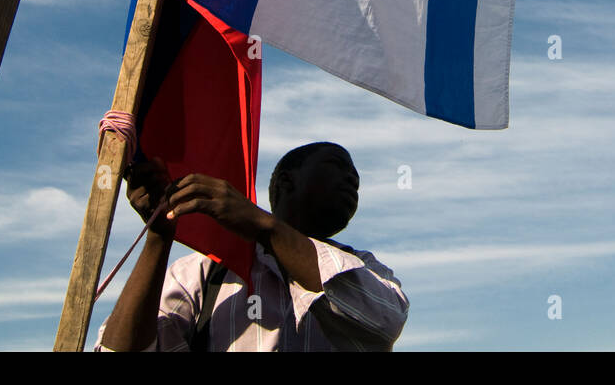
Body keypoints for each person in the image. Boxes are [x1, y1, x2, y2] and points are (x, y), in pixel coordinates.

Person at [96, 142, 408, 351]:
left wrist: (262, 223)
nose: (352, 177)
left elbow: (381, 324)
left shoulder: (366, 269)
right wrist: (158, 236)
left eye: (354, 174)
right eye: (336, 165)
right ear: (287, 182)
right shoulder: (205, 272)